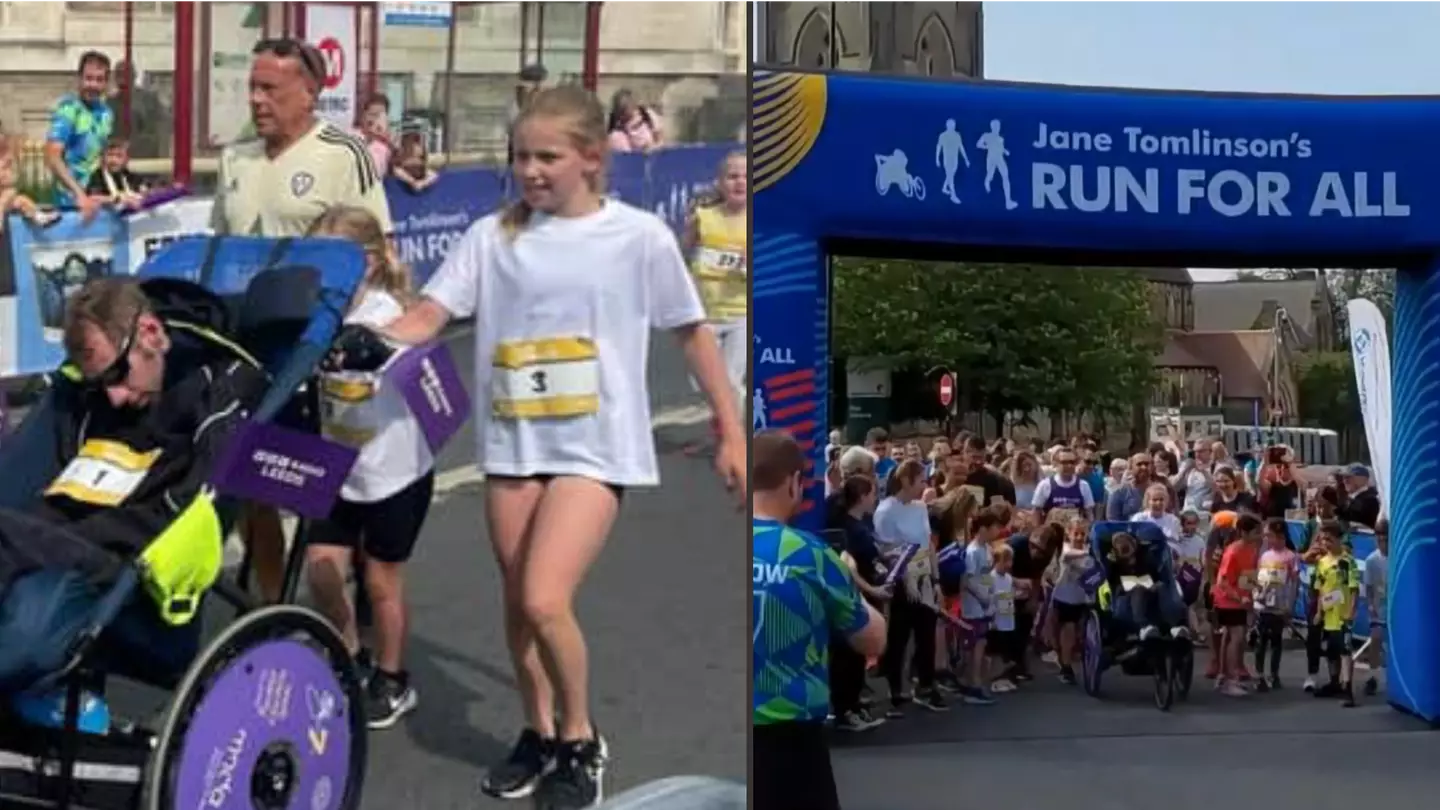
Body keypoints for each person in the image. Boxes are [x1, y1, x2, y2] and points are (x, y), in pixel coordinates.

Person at [372, 85, 745, 809]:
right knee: (518, 604)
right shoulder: (492, 237)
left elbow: (691, 334)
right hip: (513, 441)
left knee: (545, 598)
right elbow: (427, 314)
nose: (531, 170)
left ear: (593, 159)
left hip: (595, 446)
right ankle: (537, 731)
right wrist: (366, 337)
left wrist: (731, 431)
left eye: (547, 156)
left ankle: (580, 738)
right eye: (520, 157)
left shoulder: (640, 237)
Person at [0, 277, 266, 697]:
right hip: (53, 549)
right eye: (102, 384)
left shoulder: (220, 386)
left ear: (152, 333)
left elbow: (189, 513)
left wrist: (57, 537)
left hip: (131, 575)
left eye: (119, 375)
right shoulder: (94, 400)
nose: (116, 397)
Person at [211, 37, 394, 604]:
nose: (257, 99)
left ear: (310, 91)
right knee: (251, 479)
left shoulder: (344, 152)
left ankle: (352, 594)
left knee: (335, 489)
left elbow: (378, 247)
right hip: (251, 345)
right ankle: (272, 607)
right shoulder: (234, 158)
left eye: (271, 88)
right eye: (253, 87)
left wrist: (377, 332)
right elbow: (220, 246)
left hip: (320, 344)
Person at [303, 206, 433, 729]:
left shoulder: (385, 312)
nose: (323, 273)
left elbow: (408, 349)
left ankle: (393, 676)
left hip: (394, 472)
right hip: (338, 466)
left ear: (372, 265)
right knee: (322, 571)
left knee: (381, 583)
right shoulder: (317, 312)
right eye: (316, 260)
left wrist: (374, 348)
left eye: (337, 261)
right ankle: (351, 654)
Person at [752, 431, 885, 810]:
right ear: (794, 483)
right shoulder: (812, 555)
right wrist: (850, 579)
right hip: (790, 741)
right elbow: (873, 640)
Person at [682, 151, 748, 452]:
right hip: (705, 315)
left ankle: (732, 441)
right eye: (732, 176)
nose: (740, 182)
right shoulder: (703, 218)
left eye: (746, 176)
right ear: (719, 183)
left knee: (731, 381)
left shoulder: (760, 222)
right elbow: (683, 255)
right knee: (704, 383)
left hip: (741, 315)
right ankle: (720, 431)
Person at [45, 51, 115, 219]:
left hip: (98, 201)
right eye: (88, 78)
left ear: (106, 83)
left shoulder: (107, 113)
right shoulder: (68, 110)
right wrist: (79, 195)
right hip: (71, 205)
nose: (93, 85)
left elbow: (103, 158)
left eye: (99, 80)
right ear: (79, 79)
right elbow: (52, 157)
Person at [1307, 521, 1361, 706]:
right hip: (1328, 614)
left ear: (1338, 539)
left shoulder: (1347, 562)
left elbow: (1354, 588)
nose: (1326, 544)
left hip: (1343, 615)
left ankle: (1347, 687)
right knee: (1331, 651)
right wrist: (1319, 612)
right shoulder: (1322, 563)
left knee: (1345, 651)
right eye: (1323, 540)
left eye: (1329, 539)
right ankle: (1334, 682)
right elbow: (1321, 588)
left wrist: (1352, 610)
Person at [1211, 514, 1262, 697]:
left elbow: (1247, 575)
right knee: (1237, 637)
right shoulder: (1233, 551)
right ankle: (1230, 680)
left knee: (1230, 636)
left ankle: (1224, 676)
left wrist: (1255, 587)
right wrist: (1240, 598)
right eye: (1256, 532)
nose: (1260, 535)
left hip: (1241, 599)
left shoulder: (1252, 549)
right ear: (1243, 532)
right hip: (1228, 600)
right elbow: (1223, 581)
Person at [1253, 518, 1299, 692]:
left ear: (1280, 536)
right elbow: (1257, 577)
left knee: (1276, 641)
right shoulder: (1264, 555)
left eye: (1270, 536)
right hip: (1263, 605)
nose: (1267, 539)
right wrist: (1255, 596)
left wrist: (1290, 605)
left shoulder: (1290, 557)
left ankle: (1274, 673)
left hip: (1280, 606)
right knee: (1260, 640)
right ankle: (1259, 674)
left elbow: (1294, 583)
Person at [1362, 519, 1389, 697]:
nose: (1380, 539)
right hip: (1379, 607)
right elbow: (1369, 587)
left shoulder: (1397, 556)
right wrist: (1370, 605)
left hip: (1396, 606)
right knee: (1375, 641)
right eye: (1378, 535)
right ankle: (1372, 677)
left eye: (1384, 535)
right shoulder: (1371, 560)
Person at [85, 136, 148, 210]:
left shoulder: (129, 175)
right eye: (110, 155)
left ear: (126, 159)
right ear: (103, 158)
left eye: (119, 156)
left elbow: (145, 191)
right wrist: (119, 200)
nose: (114, 160)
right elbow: (93, 197)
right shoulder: (97, 176)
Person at [1334, 464, 1382, 530]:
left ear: (1363, 479)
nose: (1344, 481)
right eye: (1344, 478)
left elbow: (1347, 523)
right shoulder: (1352, 499)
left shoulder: (1369, 500)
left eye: (1348, 477)